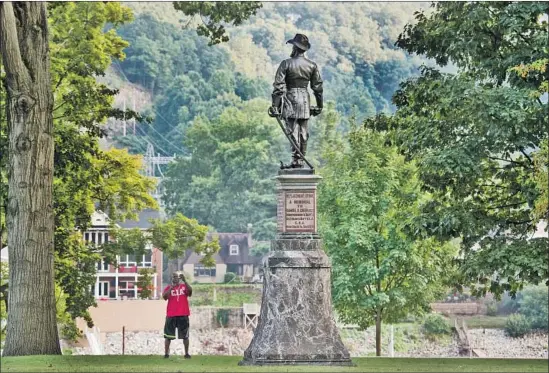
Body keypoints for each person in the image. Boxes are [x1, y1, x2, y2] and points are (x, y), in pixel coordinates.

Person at [269, 33, 323, 168]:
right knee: (303, 132)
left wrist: (275, 106)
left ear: (295, 48)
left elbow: (278, 86)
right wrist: (319, 105)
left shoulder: (286, 64)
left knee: (292, 130)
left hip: (290, 99)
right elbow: (318, 88)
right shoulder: (312, 65)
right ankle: (299, 161)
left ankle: (296, 160)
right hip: (304, 99)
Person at [162, 272, 193, 359]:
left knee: (185, 336)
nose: (175, 278)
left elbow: (190, 292)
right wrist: (171, 288)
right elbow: (164, 297)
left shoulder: (184, 287)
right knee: (168, 336)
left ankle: (186, 353)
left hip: (183, 314)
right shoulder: (168, 288)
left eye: (176, 277)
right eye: (173, 277)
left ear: (179, 278)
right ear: (171, 279)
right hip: (171, 315)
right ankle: (166, 354)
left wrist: (185, 281)